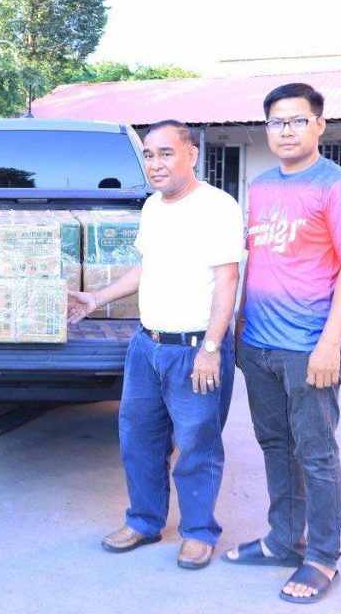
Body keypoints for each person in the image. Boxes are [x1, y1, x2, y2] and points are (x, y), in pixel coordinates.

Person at [68, 120, 243, 569]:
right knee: (139, 439)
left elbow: (228, 280)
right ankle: (145, 521)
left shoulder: (217, 207)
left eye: (166, 153)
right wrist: (97, 298)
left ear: (192, 155)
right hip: (147, 346)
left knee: (197, 444)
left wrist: (211, 348)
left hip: (194, 349)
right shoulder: (152, 207)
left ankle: (198, 532)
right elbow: (146, 268)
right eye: (148, 155)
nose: (155, 163)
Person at [223, 83, 341, 604]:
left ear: (318, 125)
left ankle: (323, 557)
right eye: (276, 122)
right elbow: (256, 261)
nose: (285, 131)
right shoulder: (261, 186)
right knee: (274, 445)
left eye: (297, 120)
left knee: (316, 453)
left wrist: (330, 343)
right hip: (258, 343)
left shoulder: (336, 186)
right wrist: (240, 323)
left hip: (308, 346)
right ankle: (284, 540)